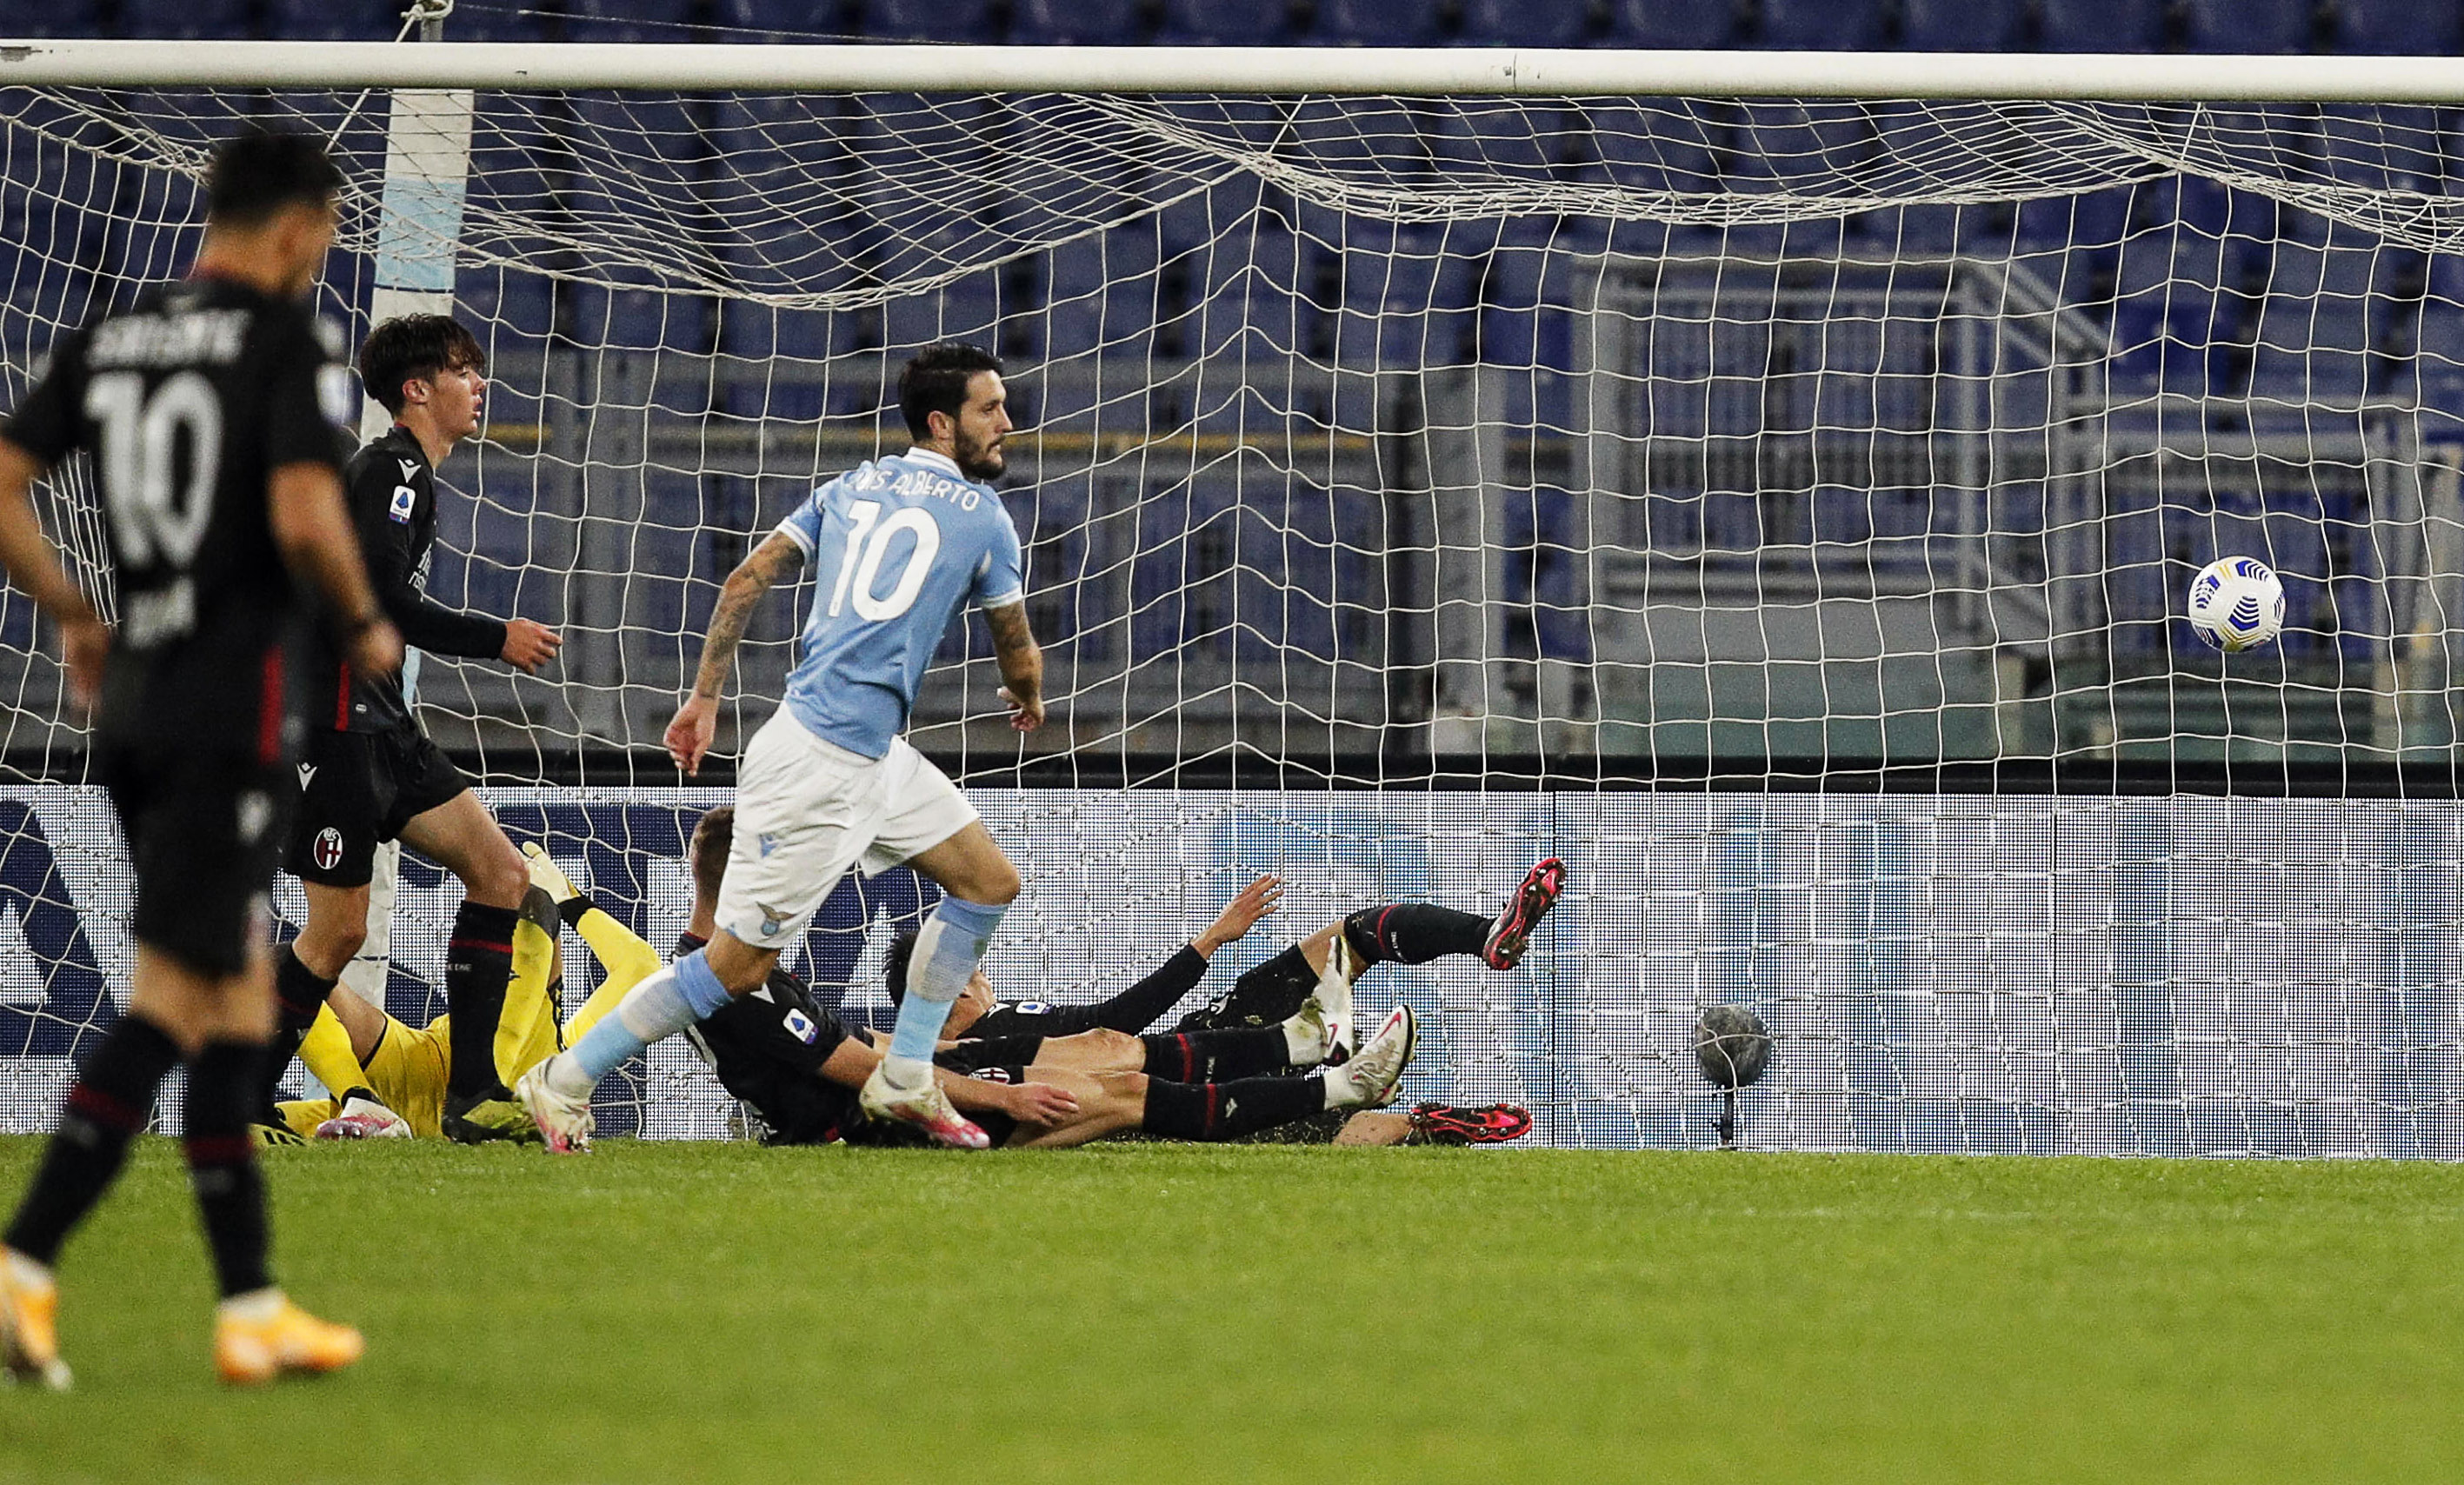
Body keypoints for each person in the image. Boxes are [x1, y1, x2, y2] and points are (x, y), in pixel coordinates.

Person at [0, 128, 403, 1388]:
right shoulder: (289, 340)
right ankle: (21, 1267)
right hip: (230, 710)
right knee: (179, 1001)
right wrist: (365, 621)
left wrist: (72, 611)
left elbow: (3, 477)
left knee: (233, 993)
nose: (324, 256)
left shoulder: (110, 337)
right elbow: (300, 511)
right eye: (330, 234)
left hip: (133, 700)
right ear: (295, 227)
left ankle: (249, 1309)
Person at [518, 343, 1045, 1153]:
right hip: (819, 765)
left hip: (868, 753)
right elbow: (1015, 644)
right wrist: (1029, 694)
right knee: (735, 970)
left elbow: (745, 581)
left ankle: (905, 1077)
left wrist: (704, 697)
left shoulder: (849, 485)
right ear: (943, 424)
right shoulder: (984, 518)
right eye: (990, 409)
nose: (1006, 423)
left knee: (986, 883)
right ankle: (563, 1079)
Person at [678, 806, 1529, 1149]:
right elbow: (1111, 1015)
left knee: (1121, 1053)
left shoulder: (741, 973)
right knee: (1118, 1057)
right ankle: (1327, 1066)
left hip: (1183, 1042)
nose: (979, 975)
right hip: (1202, 1032)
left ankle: (1379, 1064)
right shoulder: (737, 980)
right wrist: (1205, 943)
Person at [270, 313, 561, 1144]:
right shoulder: (391, 471)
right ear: (417, 389)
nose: (481, 387)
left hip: (385, 724)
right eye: (465, 371)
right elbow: (378, 600)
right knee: (339, 932)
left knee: (502, 874)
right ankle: (237, 1103)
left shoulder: (409, 476)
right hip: (337, 731)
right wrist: (493, 639)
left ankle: (473, 1097)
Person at [268, 848, 653, 1143]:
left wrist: (563, 902)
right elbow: (641, 969)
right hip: (423, 1069)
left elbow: (643, 969)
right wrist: (569, 901)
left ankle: (476, 1096)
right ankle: (366, 1101)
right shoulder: (565, 1052)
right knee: (289, 963)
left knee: (529, 899)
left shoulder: (561, 1053)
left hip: (433, 1084)